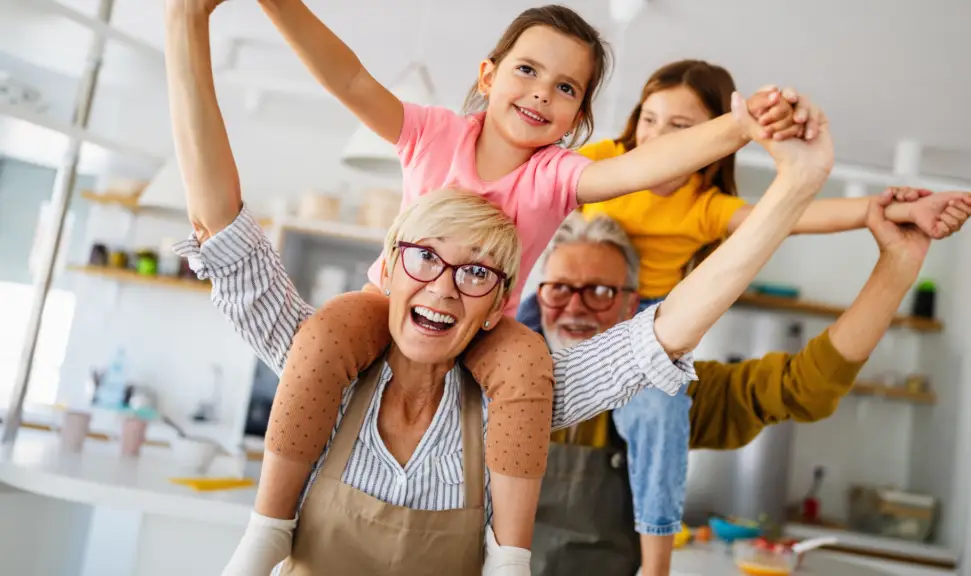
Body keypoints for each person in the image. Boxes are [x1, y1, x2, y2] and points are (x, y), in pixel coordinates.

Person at [166, 1, 837, 571]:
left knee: (525, 361)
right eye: (527, 70)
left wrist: (744, 128)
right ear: (487, 76)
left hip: (496, 334)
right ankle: (267, 525)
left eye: (566, 88)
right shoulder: (431, 135)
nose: (543, 92)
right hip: (375, 308)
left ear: (577, 122)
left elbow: (648, 179)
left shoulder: (554, 179)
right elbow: (344, 79)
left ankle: (509, 558)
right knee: (323, 333)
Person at [516, 58, 971, 575]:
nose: (574, 306)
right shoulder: (600, 171)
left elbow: (803, 375)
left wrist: (892, 240)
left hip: (651, 334)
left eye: (599, 291)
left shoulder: (701, 214)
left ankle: (656, 563)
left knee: (658, 399)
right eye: (559, 289)